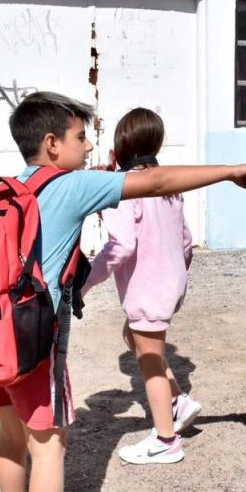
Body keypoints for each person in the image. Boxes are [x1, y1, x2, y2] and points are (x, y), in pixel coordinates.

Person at [0, 92, 246, 492]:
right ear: (52, 144)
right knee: (48, 445)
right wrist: (231, 171)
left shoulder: (4, 188)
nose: (89, 146)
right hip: (32, 339)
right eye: (80, 137)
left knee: (10, 433)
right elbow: (158, 180)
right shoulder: (71, 185)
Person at [82, 107, 202, 465]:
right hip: (171, 282)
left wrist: (85, 282)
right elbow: (186, 239)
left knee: (149, 364)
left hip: (149, 288)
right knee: (133, 336)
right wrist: (177, 273)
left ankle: (166, 440)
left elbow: (121, 245)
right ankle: (178, 401)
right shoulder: (168, 186)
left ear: (119, 146)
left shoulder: (124, 189)